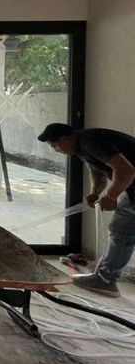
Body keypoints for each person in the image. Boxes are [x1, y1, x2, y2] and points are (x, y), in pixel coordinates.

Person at [38, 123, 135, 298]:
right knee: (123, 231)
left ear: (65, 139)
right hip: (132, 190)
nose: (56, 150)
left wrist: (111, 196)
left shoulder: (91, 141)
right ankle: (106, 277)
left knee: (122, 231)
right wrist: (95, 192)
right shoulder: (82, 147)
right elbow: (97, 171)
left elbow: (127, 171)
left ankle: (105, 279)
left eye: (55, 145)